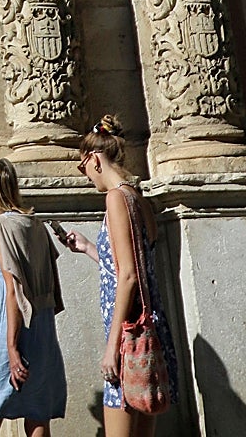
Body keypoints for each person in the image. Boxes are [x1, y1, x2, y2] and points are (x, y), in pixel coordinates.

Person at [58, 115, 178, 437]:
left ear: (95, 160)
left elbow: (128, 277)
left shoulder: (114, 199)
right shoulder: (136, 197)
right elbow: (136, 265)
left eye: (83, 168)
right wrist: (88, 248)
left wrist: (112, 347)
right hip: (148, 330)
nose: (85, 177)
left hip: (128, 336)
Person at [0, 158, 67, 437]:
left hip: (14, 330)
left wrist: (12, 348)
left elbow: (13, 290)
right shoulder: (35, 225)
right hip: (44, 331)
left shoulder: (0, 226)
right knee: (37, 417)